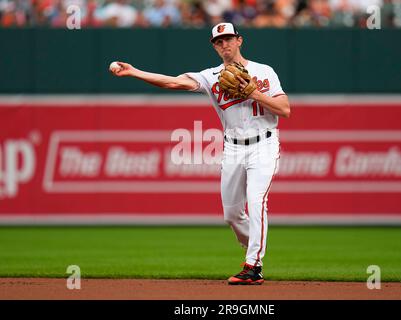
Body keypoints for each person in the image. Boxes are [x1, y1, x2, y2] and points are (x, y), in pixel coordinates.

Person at [111, 22, 290, 285]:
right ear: (215, 47)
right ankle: (252, 246)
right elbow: (173, 83)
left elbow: (285, 110)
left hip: (264, 144)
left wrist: (254, 92)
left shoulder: (264, 72)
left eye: (228, 38)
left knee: (256, 202)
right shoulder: (212, 76)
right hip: (233, 148)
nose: (224, 44)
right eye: (219, 41)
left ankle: (253, 265)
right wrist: (135, 72)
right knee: (231, 214)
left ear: (239, 40)